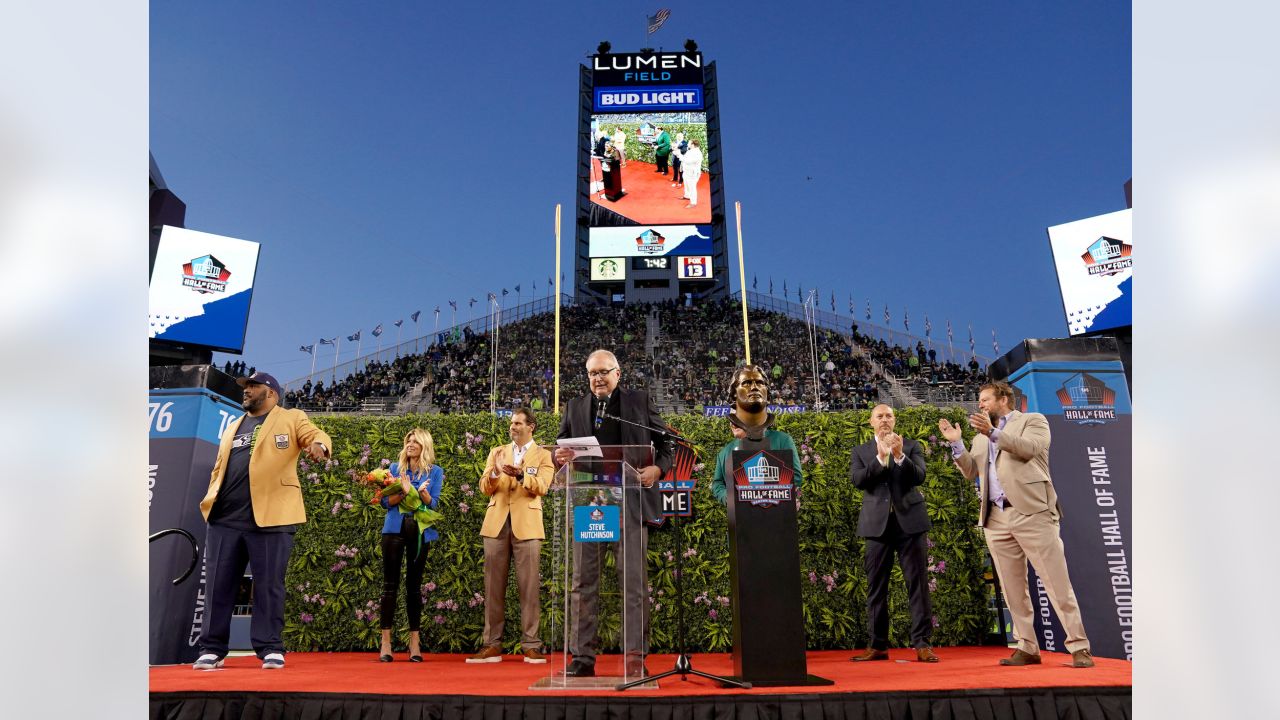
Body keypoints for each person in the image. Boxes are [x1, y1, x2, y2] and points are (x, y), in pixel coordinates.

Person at [938, 380, 1094, 668]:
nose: (980, 404)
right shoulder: (980, 436)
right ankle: (1026, 646)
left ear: (1004, 399)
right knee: (1012, 589)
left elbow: (1030, 449)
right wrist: (956, 443)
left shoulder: (1032, 421)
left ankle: (1079, 646)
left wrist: (993, 433)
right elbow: (972, 471)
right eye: (980, 400)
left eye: (985, 399)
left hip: (1032, 513)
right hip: (995, 518)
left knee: (1056, 582)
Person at [193, 372, 332, 670]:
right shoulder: (233, 426)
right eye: (246, 387)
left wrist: (320, 446)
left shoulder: (291, 418)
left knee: (269, 584)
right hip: (225, 518)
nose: (247, 391)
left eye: (253, 387)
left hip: (271, 517)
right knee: (218, 586)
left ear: (271, 393)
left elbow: (316, 434)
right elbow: (219, 468)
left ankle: (270, 647)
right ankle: (212, 648)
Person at [553, 349, 672, 678]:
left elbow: (666, 445)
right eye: (592, 373)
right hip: (589, 501)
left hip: (629, 501)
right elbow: (561, 447)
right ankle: (582, 657)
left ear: (618, 373)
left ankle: (635, 656)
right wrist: (560, 456)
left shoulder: (639, 402)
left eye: (603, 372)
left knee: (632, 583)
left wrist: (656, 471)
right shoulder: (575, 407)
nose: (597, 378)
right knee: (582, 582)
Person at [849, 404, 938, 663]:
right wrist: (880, 459)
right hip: (876, 527)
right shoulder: (861, 451)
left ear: (895, 420)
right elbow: (858, 481)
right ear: (871, 422)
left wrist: (899, 456)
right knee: (876, 587)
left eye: (889, 416)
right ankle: (877, 645)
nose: (885, 420)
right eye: (880, 416)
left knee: (918, 586)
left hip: (910, 524)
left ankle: (922, 644)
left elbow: (919, 476)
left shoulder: (911, 446)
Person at [467, 408, 555, 664]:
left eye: (518, 423)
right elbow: (485, 488)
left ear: (532, 426)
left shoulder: (544, 456)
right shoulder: (497, 452)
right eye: (511, 423)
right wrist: (495, 473)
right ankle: (492, 645)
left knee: (529, 588)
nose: (513, 427)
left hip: (527, 525)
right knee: (492, 587)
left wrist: (520, 474)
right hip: (495, 524)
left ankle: (531, 644)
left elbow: (542, 487)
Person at [377, 428, 444, 662]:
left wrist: (420, 493)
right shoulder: (394, 470)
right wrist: (405, 492)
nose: (410, 444)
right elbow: (387, 502)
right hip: (393, 529)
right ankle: (386, 643)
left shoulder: (435, 472)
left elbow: (432, 504)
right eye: (408, 440)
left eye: (415, 441)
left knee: (414, 587)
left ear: (425, 445)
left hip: (420, 532)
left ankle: (414, 643)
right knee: (389, 586)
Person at [710, 365, 802, 504]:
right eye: (746, 383)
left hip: (778, 518)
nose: (754, 387)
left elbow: (796, 477)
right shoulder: (725, 452)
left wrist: (772, 496)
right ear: (734, 392)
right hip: (742, 521)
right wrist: (729, 499)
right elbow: (718, 484)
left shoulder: (783, 440)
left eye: (760, 383)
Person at [674, 138, 703, 208]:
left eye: (689, 143)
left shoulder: (697, 153)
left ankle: (693, 202)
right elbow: (684, 158)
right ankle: (687, 196)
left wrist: (679, 154)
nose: (687, 144)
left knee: (692, 187)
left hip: (692, 173)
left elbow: (687, 161)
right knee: (686, 185)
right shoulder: (690, 151)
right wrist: (678, 154)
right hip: (687, 171)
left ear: (693, 145)